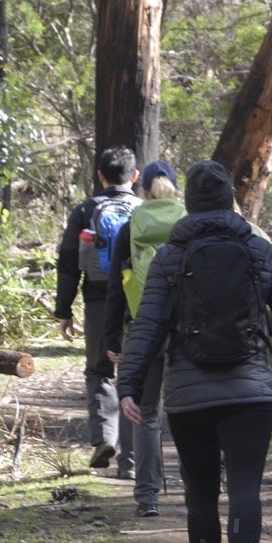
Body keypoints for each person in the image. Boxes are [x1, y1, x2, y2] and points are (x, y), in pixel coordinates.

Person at [116, 160, 272, 543]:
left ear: (190, 205)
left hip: (189, 394)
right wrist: (264, 329)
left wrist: (129, 384)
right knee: (244, 487)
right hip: (251, 391)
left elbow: (148, 326)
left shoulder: (170, 257)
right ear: (229, 202)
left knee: (200, 494)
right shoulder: (258, 250)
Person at [103, 159, 186, 518]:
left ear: (144, 189)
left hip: (143, 326)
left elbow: (115, 288)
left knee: (148, 413)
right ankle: (197, 488)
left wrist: (112, 337)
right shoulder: (189, 223)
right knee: (188, 412)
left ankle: (148, 496)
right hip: (188, 330)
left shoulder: (132, 227)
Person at [53, 146, 140, 476]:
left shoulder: (86, 210)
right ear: (134, 177)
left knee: (100, 370)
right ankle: (131, 461)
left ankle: (105, 438)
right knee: (135, 375)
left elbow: (68, 263)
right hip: (138, 301)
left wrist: (64, 310)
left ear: (100, 176)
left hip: (99, 300)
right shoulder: (144, 210)